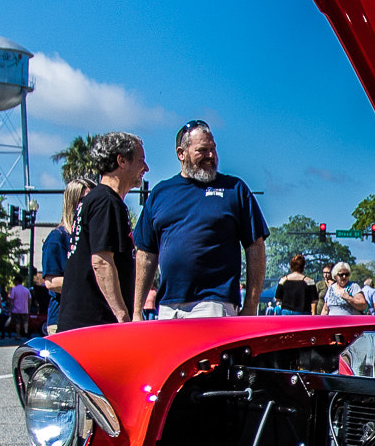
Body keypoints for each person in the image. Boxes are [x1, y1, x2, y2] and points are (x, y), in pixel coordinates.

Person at [132, 121, 267, 318]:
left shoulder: (235, 189)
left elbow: (255, 246)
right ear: (181, 153)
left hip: (215, 303)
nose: (211, 156)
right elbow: (146, 254)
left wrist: (250, 305)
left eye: (213, 149)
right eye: (202, 150)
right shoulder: (161, 193)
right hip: (169, 307)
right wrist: (136, 311)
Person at [57, 132, 148, 332]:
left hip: (87, 324)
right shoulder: (105, 201)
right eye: (141, 161)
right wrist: (122, 316)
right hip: (93, 325)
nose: (146, 168)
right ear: (121, 160)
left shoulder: (100, 200)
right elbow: (101, 262)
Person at [38, 178, 87, 333]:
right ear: (73, 202)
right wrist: (90, 285)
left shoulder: (91, 238)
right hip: (62, 322)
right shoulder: (57, 238)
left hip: (89, 320)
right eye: (85, 200)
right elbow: (51, 282)